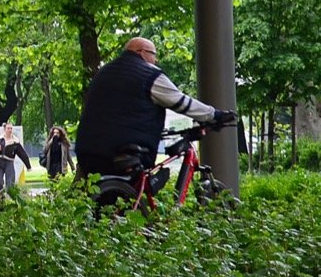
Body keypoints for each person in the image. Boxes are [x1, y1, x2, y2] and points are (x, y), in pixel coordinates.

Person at [76, 36, 234, 176]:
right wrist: (214, 115)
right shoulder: (149, 74)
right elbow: (180, 102)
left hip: (87, 152)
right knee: (145, 183)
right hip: (123, 152)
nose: (155, 60)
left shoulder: (104, 72)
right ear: (141, 52)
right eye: (153, 54)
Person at [0, 123, 31, 193]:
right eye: (8, 128)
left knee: (10, 182)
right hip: (0, 162)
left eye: (11, 128)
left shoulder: (15, 142)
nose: (10, 130)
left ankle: (9, 196)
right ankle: (1, 196)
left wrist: (28, 166)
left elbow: (22, 154)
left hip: (9, 163)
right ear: (5, 129)